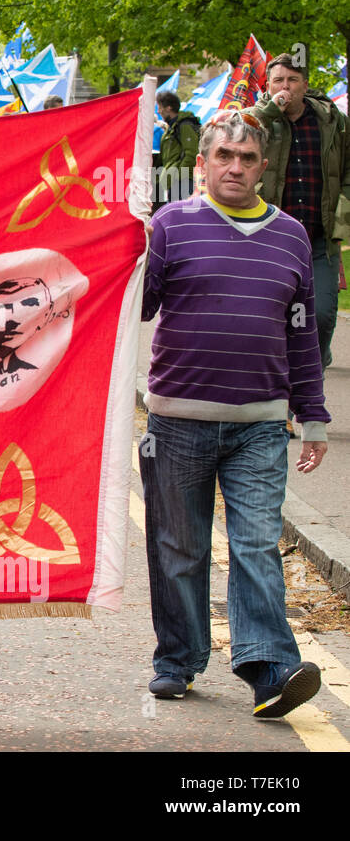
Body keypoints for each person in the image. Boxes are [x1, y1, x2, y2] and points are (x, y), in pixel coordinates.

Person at [141, 109, 327, 718]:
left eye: (247, 158)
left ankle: (269, 669)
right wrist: (128, 251)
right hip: (176, 421)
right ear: (202, 163)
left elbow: (302, 334)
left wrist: (313, 416)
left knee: (256, 546)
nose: (235, 167)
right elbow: (136, 310)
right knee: (180, 549)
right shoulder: (169, 227)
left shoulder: (292, 236)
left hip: (261, 425)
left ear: (263, 167)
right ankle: (178, 659)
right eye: (224, 155)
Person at [244, 53, 350, 369]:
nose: (285, 87)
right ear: (267, 85)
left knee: (322, 314)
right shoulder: (257, 120)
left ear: (305, 84)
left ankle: (316, 358)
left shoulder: (332, 121)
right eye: (278, 80)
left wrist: (342, 218)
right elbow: (233, 132)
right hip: (270, 237)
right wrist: (269, 111)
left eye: (292, 80)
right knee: (272, 311)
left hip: (319, 238)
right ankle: (287, 378)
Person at [156, 91, 199, 211]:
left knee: (182, 215)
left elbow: (191, 153)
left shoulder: (184, 125)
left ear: (168, 108)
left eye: (160, 107)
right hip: (173, 182)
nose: (158, 111)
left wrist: (178, 176)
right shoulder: (171, 128)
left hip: (182, 182)